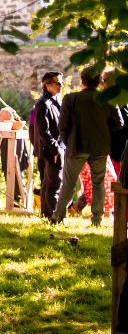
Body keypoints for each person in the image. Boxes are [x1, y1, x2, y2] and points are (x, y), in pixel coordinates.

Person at [54, 69, 112, 226]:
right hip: (100, 148)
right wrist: (105, 136)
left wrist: (69, 141)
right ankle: (97, 220)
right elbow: (118, 124)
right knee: (98, 182)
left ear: (82, 80)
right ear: (99, 81)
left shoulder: (71, 98)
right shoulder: (107, 100)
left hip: (76, 146)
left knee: (68, 182)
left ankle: (59, 217)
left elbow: (62, 126)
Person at [31, 71, 65, 217]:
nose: (61, 85)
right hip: (50, 151)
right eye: (58, 83)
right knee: (53, 185)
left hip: (52, 149)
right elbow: (43, 131)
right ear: (48, 85)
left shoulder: (53, 102)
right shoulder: (43, 104)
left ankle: (47, 216)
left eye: (61, 82)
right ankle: (53, 216)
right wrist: (56, 149)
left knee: (48, 184)